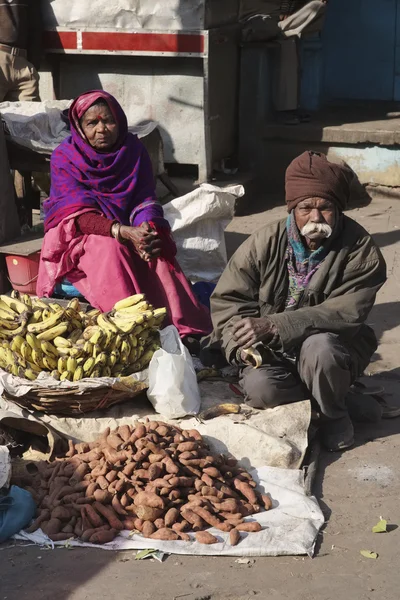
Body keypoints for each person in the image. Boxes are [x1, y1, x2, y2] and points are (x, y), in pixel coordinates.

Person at [207, 151, 387, 452]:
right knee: (262, 389)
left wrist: (275, 324)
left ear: (339, 208)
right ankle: (333, 398)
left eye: (325, 208)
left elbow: (346, 312)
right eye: (305, 208)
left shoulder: (360, 250)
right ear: (292, 208)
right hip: (273, 354)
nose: (316, 218)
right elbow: (229, 301)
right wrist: (241, 343)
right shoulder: (263, 242)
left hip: (331, 348)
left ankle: (333, 415)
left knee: (320, 348)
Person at [37, 90, 211, 342]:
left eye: (108, 121)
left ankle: (182, 327)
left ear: (119, 120)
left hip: (126, 226)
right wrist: (121, 231)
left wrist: (147, 228)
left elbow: (144, 198)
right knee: (112, 249)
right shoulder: (65, 157)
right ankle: (132, 328)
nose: (102, 129)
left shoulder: (133, 150)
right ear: (79, 126)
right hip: (77, 234)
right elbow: (77, 214)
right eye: (92, 123)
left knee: (157, 249)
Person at [240, 1, 327, 124]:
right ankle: (284, 29)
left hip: (277, 22)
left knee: (317, 8)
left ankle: (287, 110)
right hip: (253, 23)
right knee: (284, 34)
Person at [0, 0, 42, 102]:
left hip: (23, 63)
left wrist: (33, 66)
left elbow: (36, 30)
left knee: (31, 113)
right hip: (1, 56)